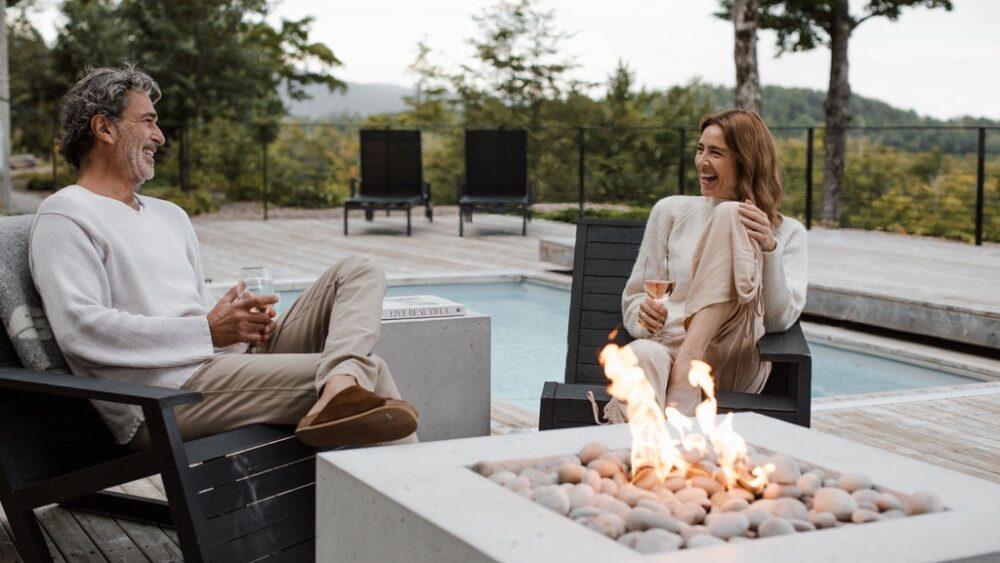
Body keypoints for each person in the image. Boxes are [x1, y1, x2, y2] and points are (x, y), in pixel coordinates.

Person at [29, 64, 418, 450]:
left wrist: (237, 326)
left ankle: (338, 388)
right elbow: (82, 330)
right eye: (147, 121)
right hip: (163, 394)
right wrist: (209, 332)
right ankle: (429, 503)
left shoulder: (170, 215)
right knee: (369, 373)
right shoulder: (66, 216)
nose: (159, 137)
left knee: (359, 270)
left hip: (224, 361)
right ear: (104, 128)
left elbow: (190, 311)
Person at [612, 109, 807, 419]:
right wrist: (642, 314)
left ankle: (690, 361)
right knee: (639, 356)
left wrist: (769, 249)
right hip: (667, 348)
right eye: (700, 149)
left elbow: (778, 320)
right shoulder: (670, 212)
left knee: (731, 213)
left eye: (716, 153)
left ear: (746, 161)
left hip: (732, 361)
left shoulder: (787, 232)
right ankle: (653, 461)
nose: (702, 161)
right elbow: (636, 298)